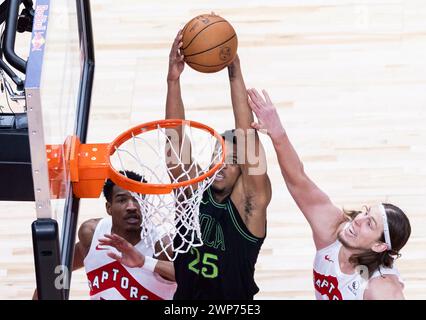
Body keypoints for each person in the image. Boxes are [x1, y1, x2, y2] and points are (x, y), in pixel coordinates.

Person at [104, 30, 272, 300]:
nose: (221, 166)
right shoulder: (192, 194)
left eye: (232, 161)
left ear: (242, 173)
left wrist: (234, 70)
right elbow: (175, 143)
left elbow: (247, 137)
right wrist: (173, 80)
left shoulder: (248, 207)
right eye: (219, 156)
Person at [246, 88, 411, 300]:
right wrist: (278, 134)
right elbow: (298, 181)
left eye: (370, 224)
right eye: (365, 213)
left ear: (378, 246)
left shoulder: (381, 288)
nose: (359, 220)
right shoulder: (332, 232)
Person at [71, 170, 176, 300]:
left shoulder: (162, 245)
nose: (131, 207)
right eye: (122, 200)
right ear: (109, 208)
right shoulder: (92, 233)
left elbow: (194, 278)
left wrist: (145, 262)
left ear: (146, 207)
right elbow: (58, 268)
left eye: (137, 200)